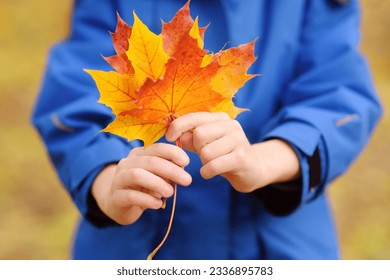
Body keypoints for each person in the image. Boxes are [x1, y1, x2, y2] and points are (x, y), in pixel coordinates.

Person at [32, 0, 382, 259]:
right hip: (136, 250)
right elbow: (73, 99)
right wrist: (107, 181)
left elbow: (337, 96)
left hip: (275, 249)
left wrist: (262, 162)